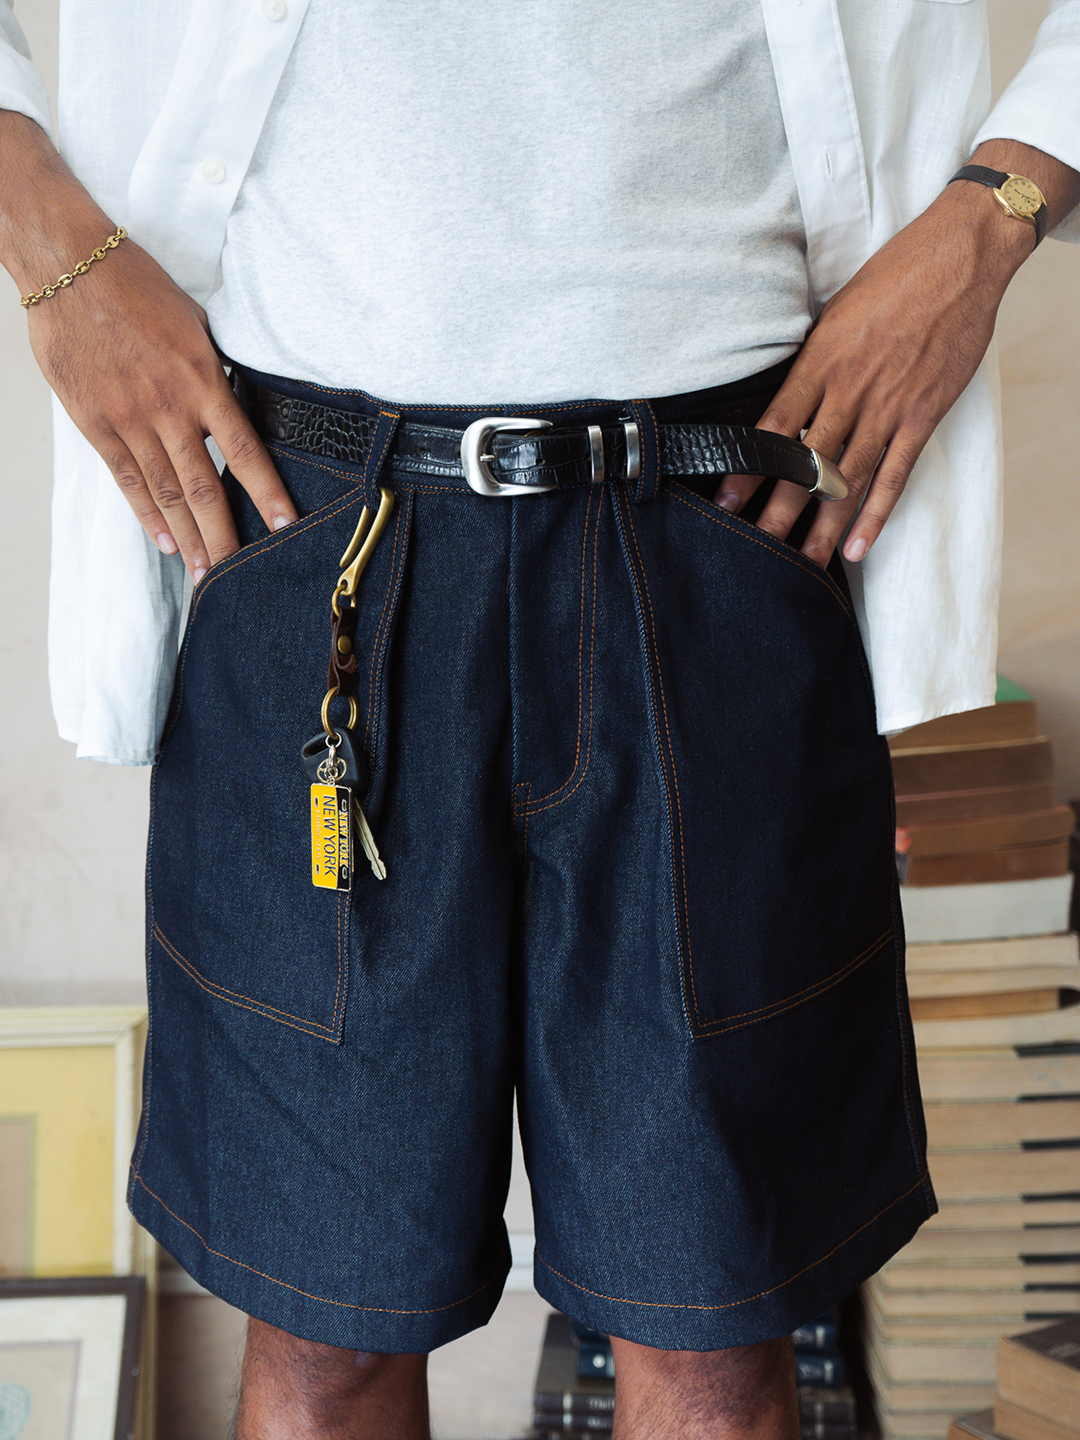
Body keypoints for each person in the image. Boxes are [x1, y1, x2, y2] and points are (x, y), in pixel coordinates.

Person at [2, 2, 1079, 1436]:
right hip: (303, 517)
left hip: (733, 521)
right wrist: (44, 233)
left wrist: (1001, 203)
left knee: (714, 1332)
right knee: (326, 1342)